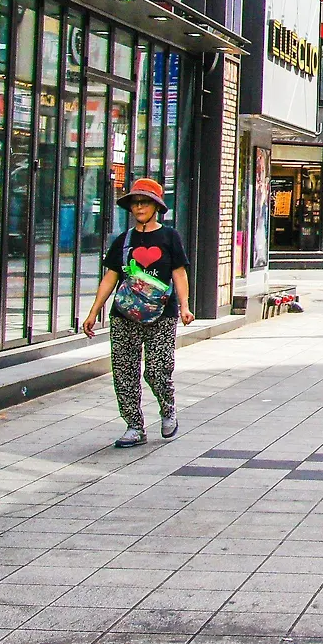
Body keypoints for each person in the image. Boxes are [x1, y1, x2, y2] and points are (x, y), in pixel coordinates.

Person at [83, 178, 193, 449]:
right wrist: (93, 311)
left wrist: (185, 306)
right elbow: (111, 277)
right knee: (124, 370)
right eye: (135, 202)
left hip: (162, 314)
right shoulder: (123, 240)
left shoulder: (170, 237)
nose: (139, 207)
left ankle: (168, 410)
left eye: (145, 202)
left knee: (157, 369)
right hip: (124, 314)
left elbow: (179, 273)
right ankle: (134, 426)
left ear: (156, 206)